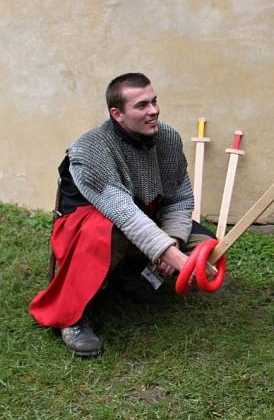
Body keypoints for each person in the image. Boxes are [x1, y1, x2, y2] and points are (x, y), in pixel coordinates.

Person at [29, 73, 213, 357]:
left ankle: (131, 277)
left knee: (203, 243)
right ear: (117, 114)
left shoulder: (167, 138)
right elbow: (124, 214)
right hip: (88, 229)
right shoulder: (90, 149)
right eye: (141, 106)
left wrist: (174, 240)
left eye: (154, 101)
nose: (153, 111)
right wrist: (169, 255)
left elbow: (179, 197)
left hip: (143, 219)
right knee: (105, 230)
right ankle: (73, 318)